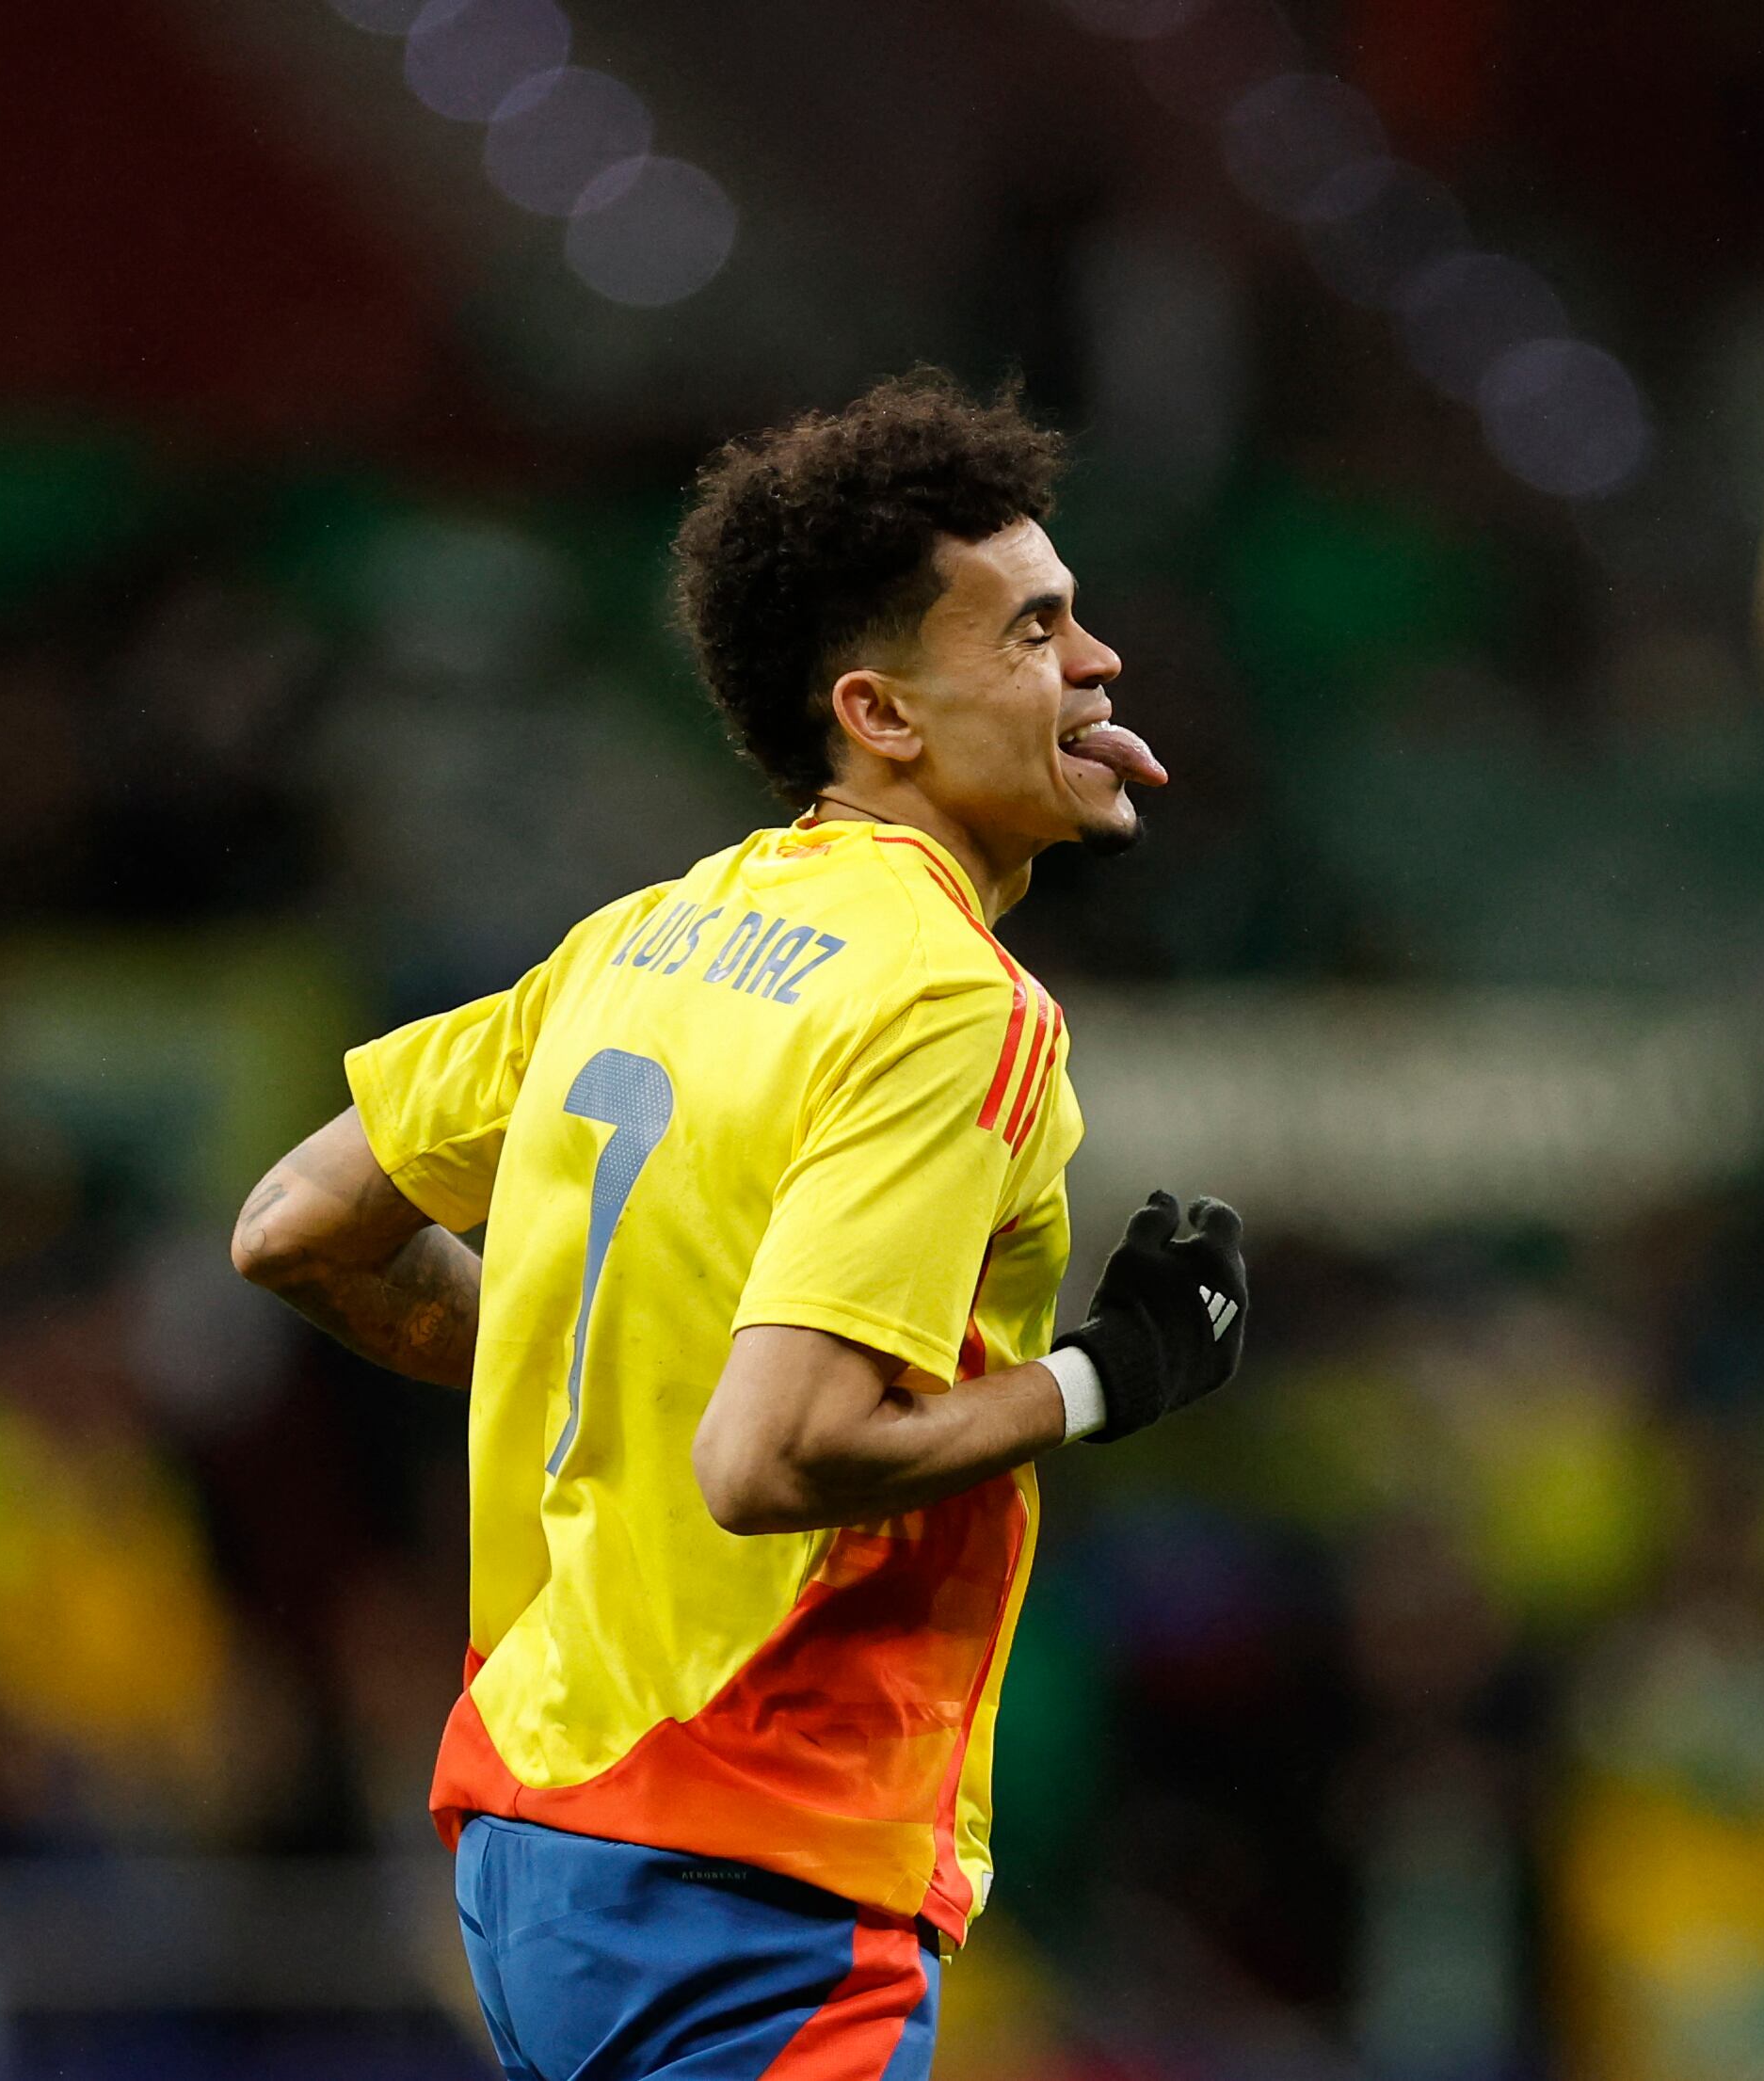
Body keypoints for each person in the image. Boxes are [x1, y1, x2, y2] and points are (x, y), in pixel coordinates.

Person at [232, 370, 1251, 2081]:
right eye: (1033, 633)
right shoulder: (953, 1001)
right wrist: (1109, 1378)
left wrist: (605, 1344)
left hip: (534, 1830)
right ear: (883, 713)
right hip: (752, 1852)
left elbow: (294, 1224)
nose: (1098, 664)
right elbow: (776, 1460)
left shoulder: (638, 938)